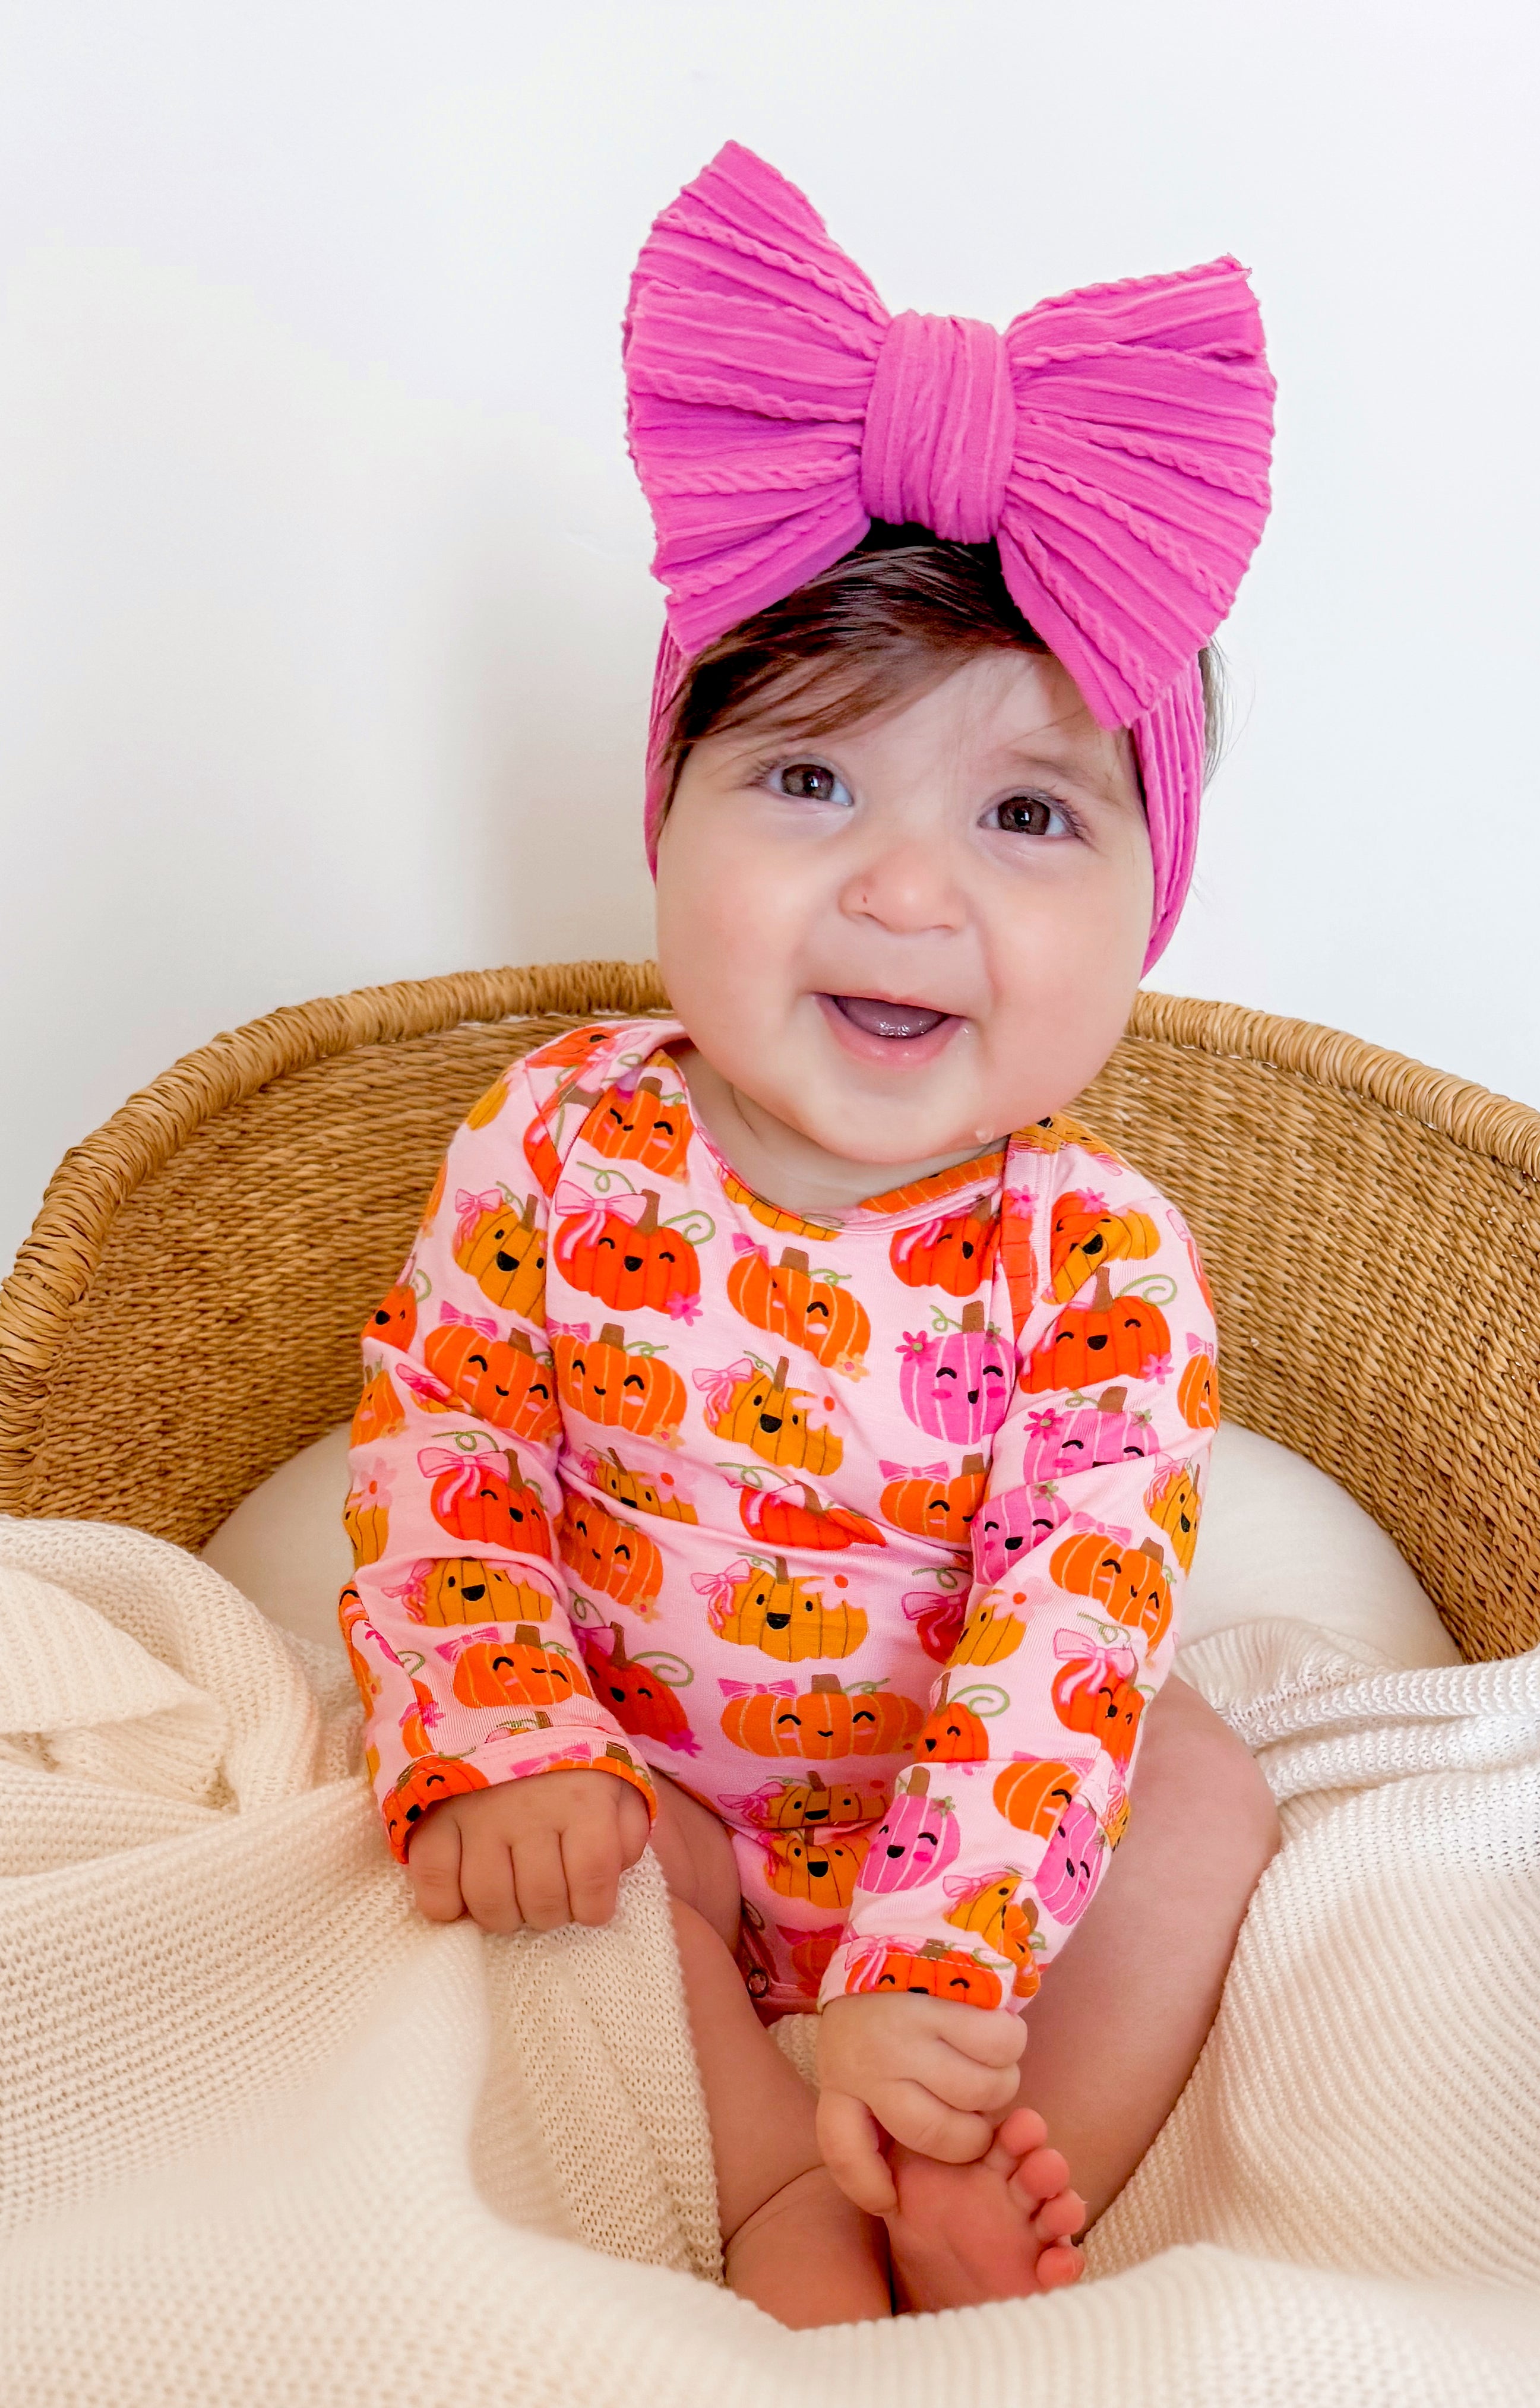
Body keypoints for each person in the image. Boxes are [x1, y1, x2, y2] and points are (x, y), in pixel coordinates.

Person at [340, 141, 1280, 2327]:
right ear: (661, 815)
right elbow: (436, 1441)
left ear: (1142, 910)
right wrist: (500, 1729)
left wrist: (932, 1976)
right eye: (806, 783)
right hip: (651, 1773)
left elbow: (1070, 1630)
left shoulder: (1099, 1259)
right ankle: (774, 2186)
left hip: (963, 1827)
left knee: (1200, 1806)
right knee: (550, 1870)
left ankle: (967, 2150)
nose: (903, 892)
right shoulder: (559, 1138)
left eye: (1025, 815)